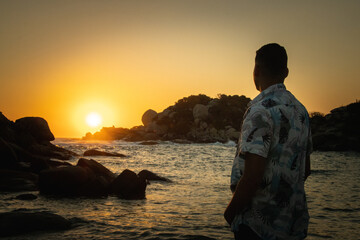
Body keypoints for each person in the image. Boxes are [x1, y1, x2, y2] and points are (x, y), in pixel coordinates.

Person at [224, 43, 312, 240]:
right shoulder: (301, 111)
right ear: (286, 72)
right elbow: (305, 169)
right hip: (292, 226)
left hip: (256, 228)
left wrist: (229, 214)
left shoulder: (259, 111)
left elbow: (253, 175)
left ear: (256, 70)